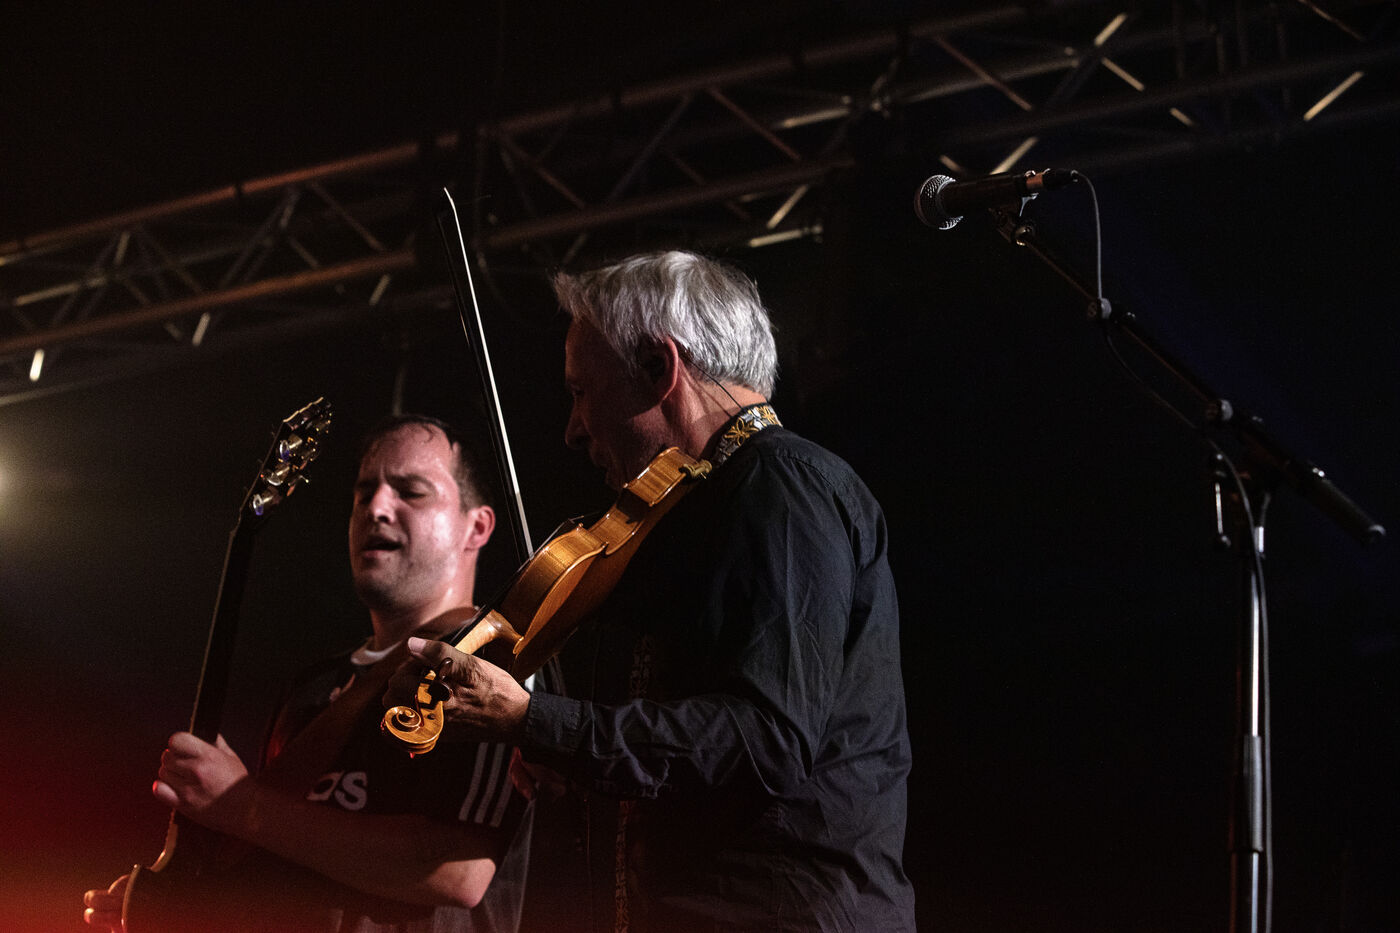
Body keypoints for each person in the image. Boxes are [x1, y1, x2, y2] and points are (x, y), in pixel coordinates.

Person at [389, 251, 917, 931]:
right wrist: (574, 762)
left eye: (582, 391)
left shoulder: (781, 485)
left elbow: (766, 742)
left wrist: (535, 720)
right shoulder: (699, 510)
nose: (573, 429)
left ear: (660, 368)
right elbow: (697, 750)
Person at [84, 414, 533, 933]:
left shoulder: (491, 668)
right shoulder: (311, 688)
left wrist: (242, 803)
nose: (376, 508)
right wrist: (173, 900)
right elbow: (284, 864)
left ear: (477, 527)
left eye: (410, 492)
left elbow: (456, 870)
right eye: (363, 493)